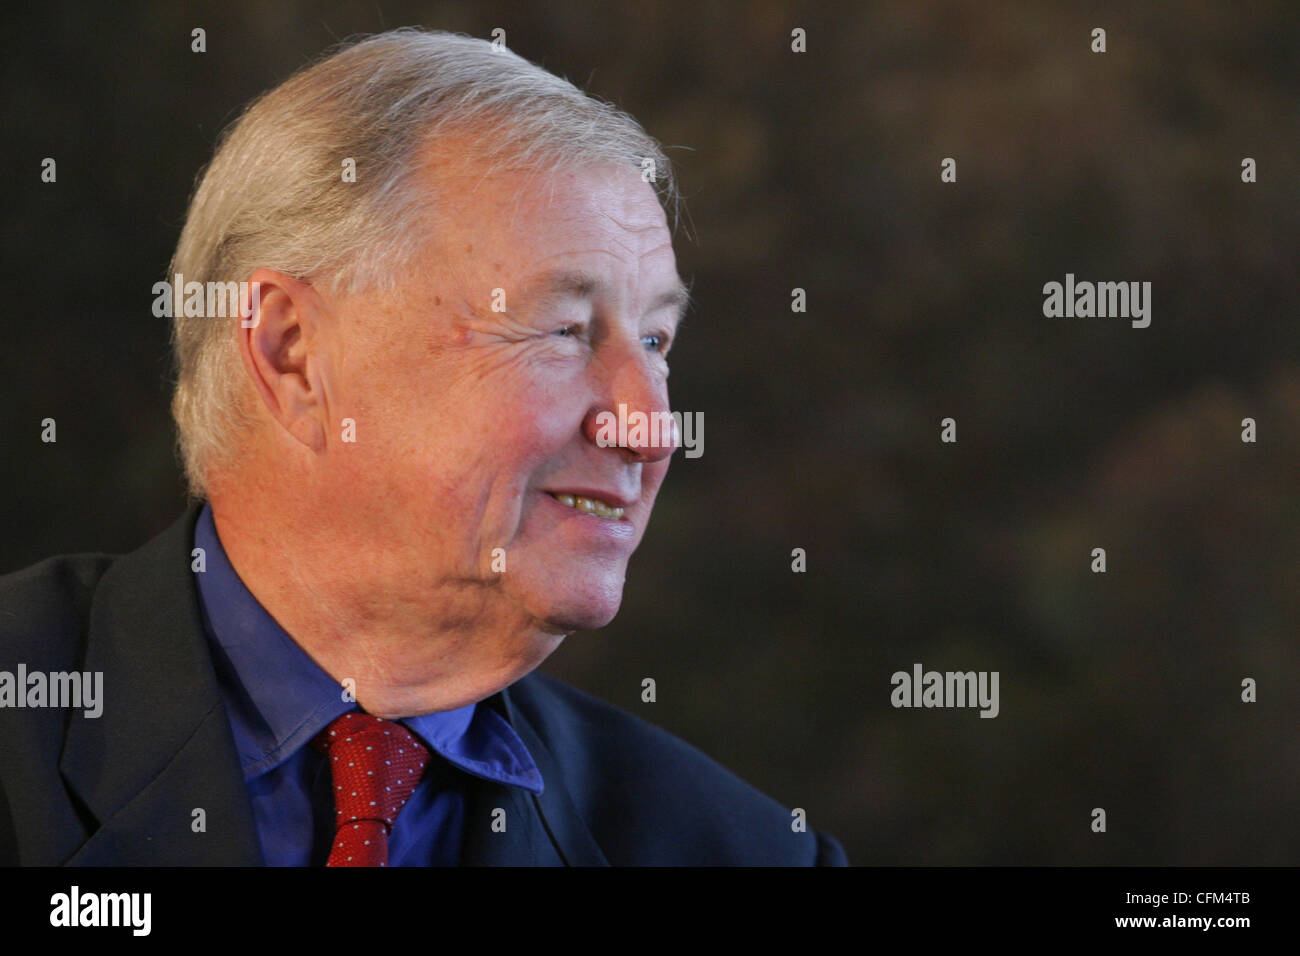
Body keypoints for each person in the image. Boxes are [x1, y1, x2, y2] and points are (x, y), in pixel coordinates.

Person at [0, 28, 847, 866]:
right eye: (563, 329)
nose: (649, 425)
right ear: (292, 352)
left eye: (656, 342)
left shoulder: (745, 852)